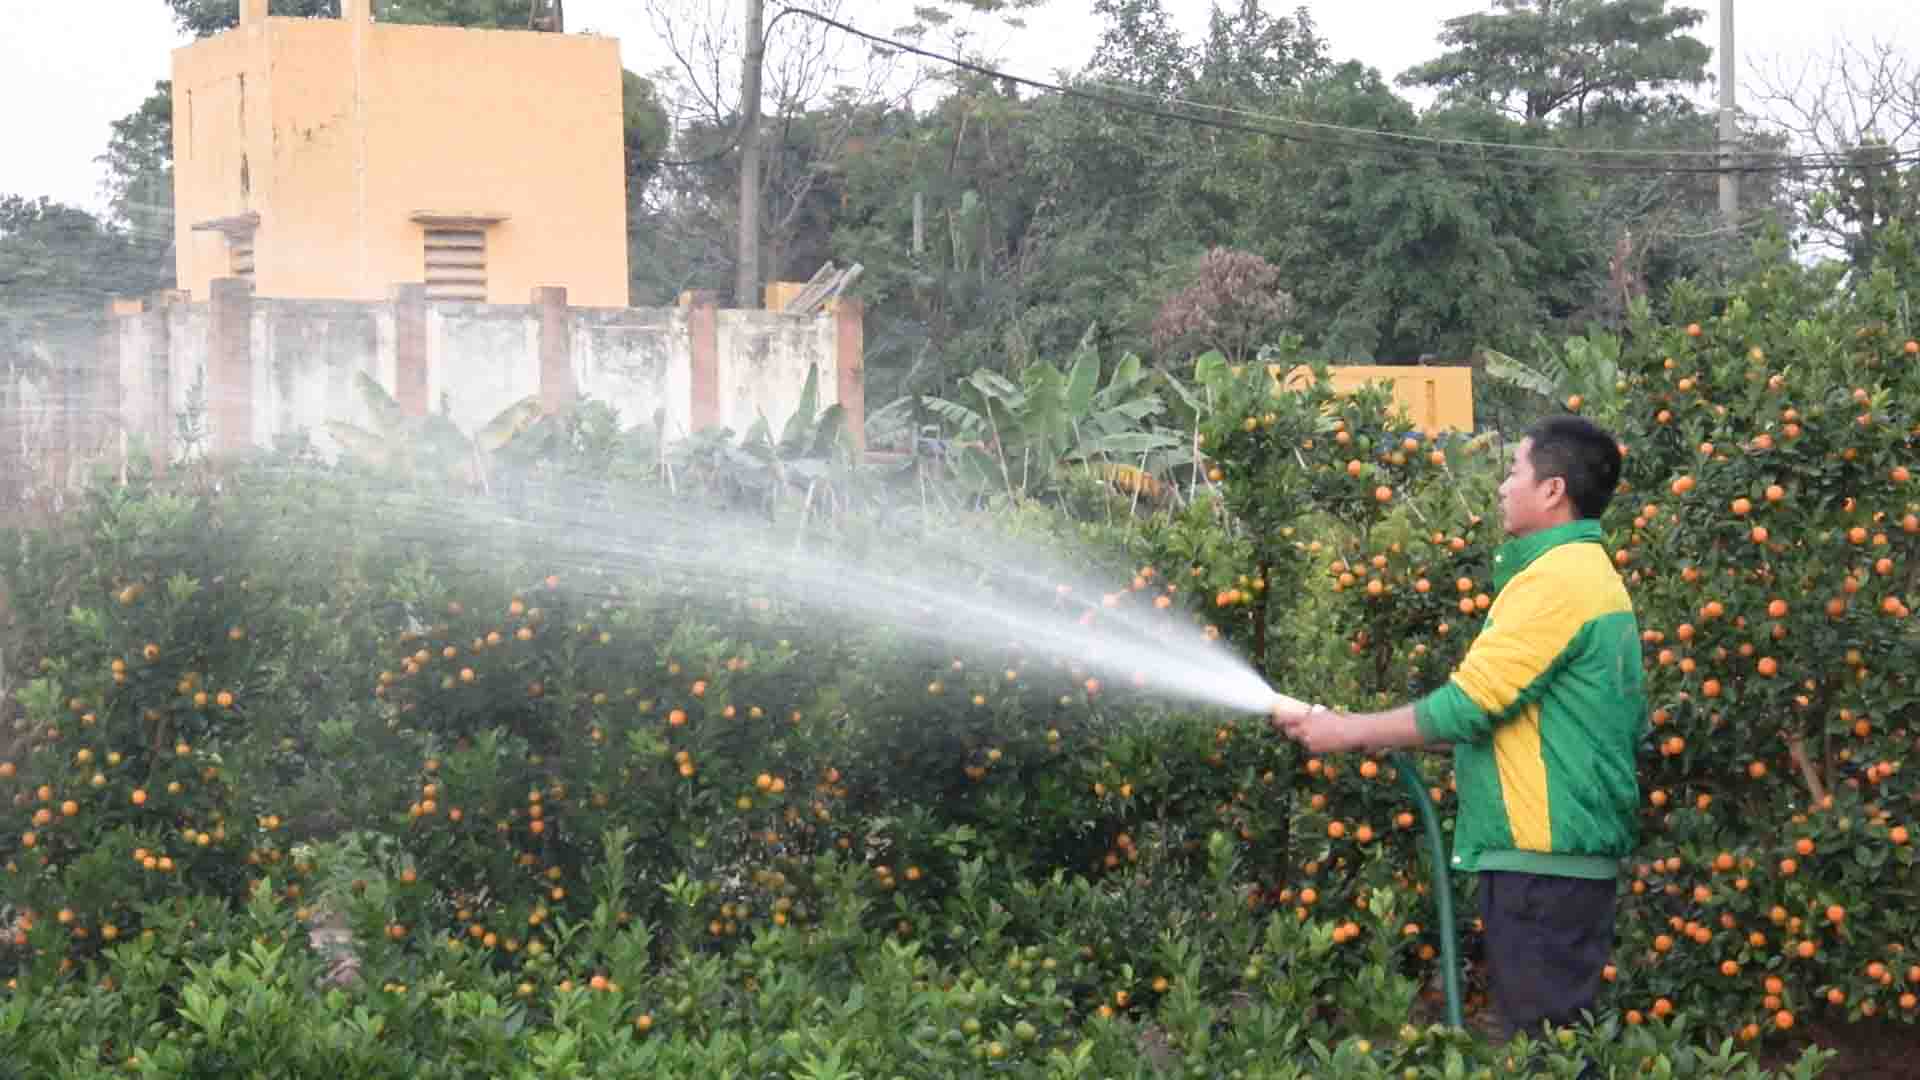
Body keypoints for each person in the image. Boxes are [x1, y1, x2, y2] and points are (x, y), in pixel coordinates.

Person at [1272, 415, 1646, 1043]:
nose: (1502, 486)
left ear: (1553, 490)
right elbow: (1514, 719)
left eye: (1513, 471)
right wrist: (1358, 728)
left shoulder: (1557, 580)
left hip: (1544, 867)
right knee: (1551, 1046)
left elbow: (1469, 706)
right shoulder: (1586, 577)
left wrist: (1346, 732)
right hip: (1556, 865)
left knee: (1544, 1053)